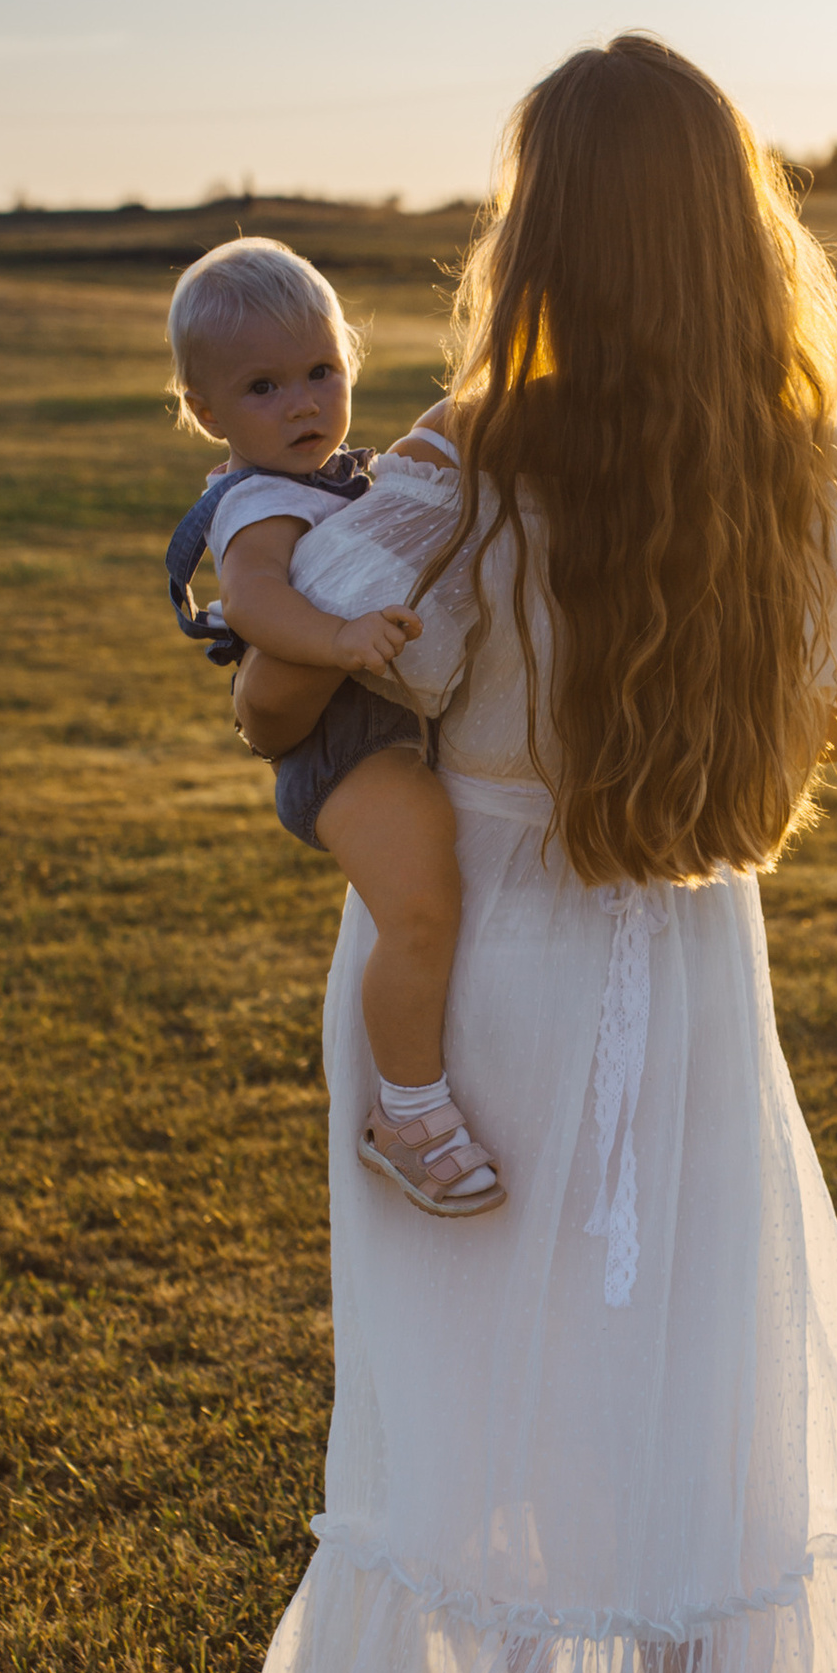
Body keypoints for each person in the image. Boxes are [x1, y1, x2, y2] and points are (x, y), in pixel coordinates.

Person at [194, 36, 837, 1673]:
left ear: (544, 232)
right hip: (680, 951)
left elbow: (283, 642)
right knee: (682, 1389)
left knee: (464, 1399)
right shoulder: (808, 449)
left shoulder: (466, 451)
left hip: (485, 939)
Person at [162, 238, 502, 1211]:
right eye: (264, 387)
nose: (304, 402)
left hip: (376, 729)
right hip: (342, 750)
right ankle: (408, 1111)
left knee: (435, 889)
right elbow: (256, 602)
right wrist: (339, 635)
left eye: (321, 370)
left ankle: (417, 1096)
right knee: (423, 901)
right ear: (206, 411)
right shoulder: (255, 504)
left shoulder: (333, 476)